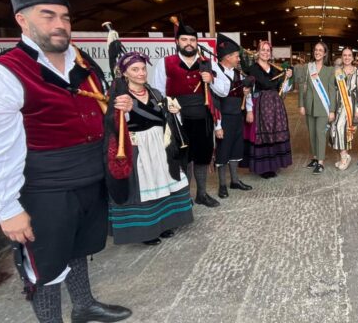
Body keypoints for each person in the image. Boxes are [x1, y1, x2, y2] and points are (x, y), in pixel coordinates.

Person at [0, 0, 131, 323]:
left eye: (65, 17)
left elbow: (97, 116)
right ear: (22, 19)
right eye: (47, 15)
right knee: (45, 267)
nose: (59, 24)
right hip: (43, 189)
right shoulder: (1, 74)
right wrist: (6, 207)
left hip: (89, 180)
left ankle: (84, 306)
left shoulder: (85, 67)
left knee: (78, 249)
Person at [109, 52, 193, 246]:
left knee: (164, 181)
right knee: (145, 186)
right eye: (135, 70)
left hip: (159, 143)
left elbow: (164, 120)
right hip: (138, 146)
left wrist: (173, 112)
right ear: (125, 73)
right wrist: (127, 111)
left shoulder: (155, 92)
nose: (141, 73)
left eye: (143, 69)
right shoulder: (120, 97)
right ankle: (147, 231)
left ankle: (164, 223)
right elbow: (113, 124)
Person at [151, 19, 220, 208]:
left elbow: (222, 90)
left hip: (203, 118)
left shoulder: (206, 63)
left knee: (203, 157)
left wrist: (211, 79)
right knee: (184, 159)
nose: (189, 43)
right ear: (177, 42)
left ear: (197, 43)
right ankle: (185, 197)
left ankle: (202, 194)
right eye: (184, 39)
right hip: (178, 120)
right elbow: (158, 93)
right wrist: (167, 111)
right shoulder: (166, 63)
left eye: (192, 40)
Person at [212, 34, 255, 198]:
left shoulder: (238, 72)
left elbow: (247, 94)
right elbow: (215, 100)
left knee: (236, 149)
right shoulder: (215, 73)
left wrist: (249, 109)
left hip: (237, 116)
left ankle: (235, 181)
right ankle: (222, 184)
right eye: (236, 56)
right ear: (227, 57)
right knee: (223, 151)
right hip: (224, 118)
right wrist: (218, 126)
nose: (239, 59)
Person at [244, 41, 293, 179]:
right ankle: (264, 168)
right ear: (258, 52)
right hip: (260, 105)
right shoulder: (252, 69)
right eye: (263, 50)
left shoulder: (275, 68)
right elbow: (249, 92)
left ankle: (274, 164)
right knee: (264, 135)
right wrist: (249, 110)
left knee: (275, 134)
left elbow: (283, 90)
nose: (265, 52)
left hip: (276, 105)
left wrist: (287, 79)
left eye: (268, 50)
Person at [296, 42, 338, 174]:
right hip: (309, 106)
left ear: (325, 53)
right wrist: (301, 104)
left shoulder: (330, 70)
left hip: (323, 108)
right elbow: (302, 88)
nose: (318, 52)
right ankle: (315, 158)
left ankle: (320, 162)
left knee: (320, 134)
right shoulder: (308, 67)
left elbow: (332, 91)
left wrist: (332, 110)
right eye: (316, 50)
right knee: (312, 134)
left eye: (321, 50)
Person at [330, 47, 358, 170]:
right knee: (336, 130)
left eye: (349, 55)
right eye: (345, 55)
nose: (347, 57)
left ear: (353, 57)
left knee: (344, 130)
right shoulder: (337, 71)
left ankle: (344, 156)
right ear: (342, 57)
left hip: (351, 105)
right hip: (339, 105)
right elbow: (333, 90)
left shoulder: (357, 72)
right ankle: (344, 156)